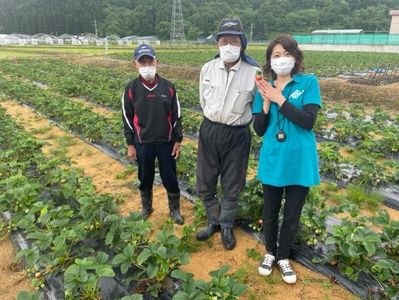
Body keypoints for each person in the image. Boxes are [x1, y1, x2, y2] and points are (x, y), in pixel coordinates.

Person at [253, 34, 322, 284]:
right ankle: (270, 252)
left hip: (300, 160)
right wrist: (264, 103)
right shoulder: (263, 87)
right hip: (273, 158)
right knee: (270, 212)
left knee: (292, 214)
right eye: (276, 56)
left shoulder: (308, 83)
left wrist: (278, 98)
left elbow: (307, 120)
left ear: (296, 57)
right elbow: (259, 129)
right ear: (270, 61)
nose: (281, 60)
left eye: (286, 54)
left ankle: (284, 257)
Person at [196, 17, 259, 250]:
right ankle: (213, 220)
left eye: (234, 40)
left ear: (242, 43)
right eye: (224, 41)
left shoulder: (254, 72)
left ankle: (226, 226)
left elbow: (256, 105)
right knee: (206, 179)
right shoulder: (207, 68)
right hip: (210, 129)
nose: (229, 45)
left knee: (233, 183)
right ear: (217, 44)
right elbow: (203, 99)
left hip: (237, 134)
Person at [122, 44, 184, 225]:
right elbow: (127, 117)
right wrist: (130, 144)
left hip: (166, 142)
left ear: (157, 61)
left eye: (150, 61)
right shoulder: (131, 89)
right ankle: (146, 207)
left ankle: (175, 210)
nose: (147, 65)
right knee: (145, 176)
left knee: (170, 176)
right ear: (135, 64)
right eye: (143, 62)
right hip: (143, 143)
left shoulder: (168, 87)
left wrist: (178, 140)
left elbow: (177, 115)